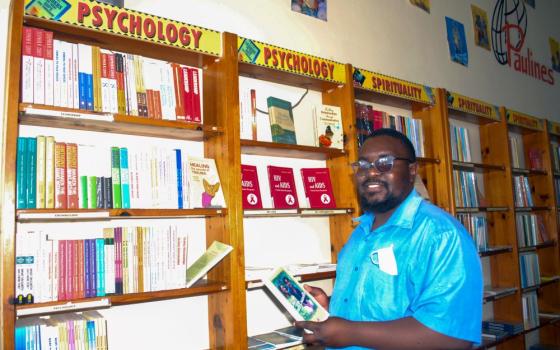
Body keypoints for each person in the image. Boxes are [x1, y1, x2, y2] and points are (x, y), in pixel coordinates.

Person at [295, 128, 482, 349]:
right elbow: (372, 306)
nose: (371, 172)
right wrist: (329, 308)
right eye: (363, 165)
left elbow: (452, 339)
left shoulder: (442, 236)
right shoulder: (359, 234)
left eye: (385, 162)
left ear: (412, 170)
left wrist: (351, 333)